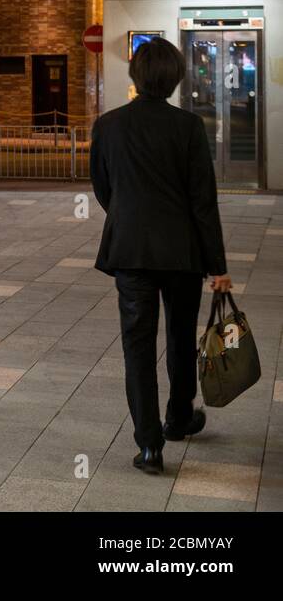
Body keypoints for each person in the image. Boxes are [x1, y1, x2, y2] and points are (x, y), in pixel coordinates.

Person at [90, 37, 230, 476]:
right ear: (174, 80)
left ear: (135, 76)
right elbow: (202, 201)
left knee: (137, 345)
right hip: (181, 252)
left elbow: (102, 187)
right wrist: (218, 266)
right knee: (180, 334)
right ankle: (179, 417)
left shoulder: (108, 125)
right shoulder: (188, 126)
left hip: (130, 250)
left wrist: (129, 217)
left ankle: (149, 447)